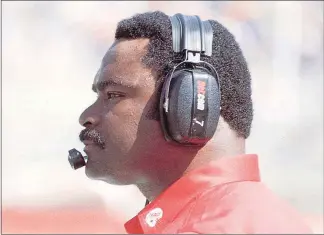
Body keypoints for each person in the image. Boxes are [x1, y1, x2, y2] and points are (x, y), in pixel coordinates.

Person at [78, 11, 312, 234]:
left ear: (192, 104)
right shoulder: (270, 215)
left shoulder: (204, 228)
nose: (87, 116)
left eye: (113, 95)